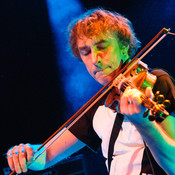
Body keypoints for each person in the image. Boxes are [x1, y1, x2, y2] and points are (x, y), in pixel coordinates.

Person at [6, 8, 175, 175]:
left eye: (102, 47)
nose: (95, 59)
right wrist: (25, 153)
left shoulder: (154, 84)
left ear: (123, 47)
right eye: (86, 53)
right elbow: (46, 156)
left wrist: (144, 123)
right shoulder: (99, 104)